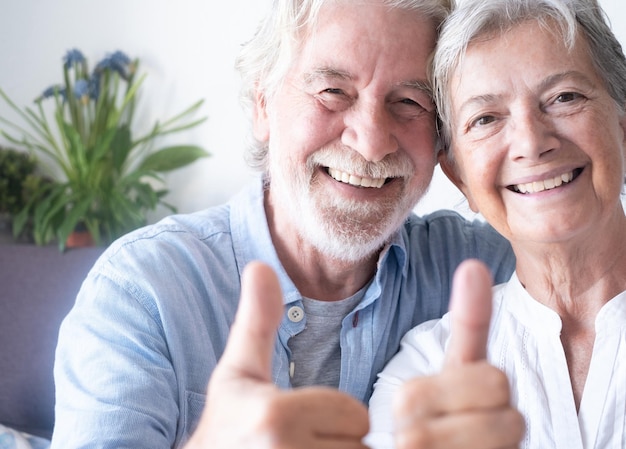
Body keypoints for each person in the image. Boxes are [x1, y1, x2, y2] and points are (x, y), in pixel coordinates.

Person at [50, 1, 523, 448]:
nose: (372, 142)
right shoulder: (142, 292)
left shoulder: (483, 267)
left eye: (409, 102)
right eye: (333, 92)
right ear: (262, 104)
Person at [367, 0, 626, 447]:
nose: (531, 142)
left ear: (622, 126)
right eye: (486, 118)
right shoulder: (427, 371)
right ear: (459, 176)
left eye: (564, 97)